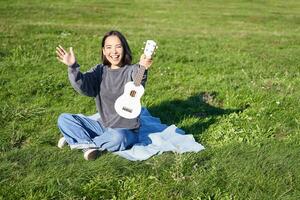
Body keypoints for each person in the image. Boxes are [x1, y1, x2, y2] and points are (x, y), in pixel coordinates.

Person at [56, 30, 153, 160]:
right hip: (103, 125)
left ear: (124, 49)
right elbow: (84, 86)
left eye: (118, 46)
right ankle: (86, 143)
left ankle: (79, 141)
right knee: (64, 118)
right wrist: (73, 67)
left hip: (125, 130)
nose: (113, 52)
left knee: (119, 138)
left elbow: (137, 82)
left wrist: (142, 67)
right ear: (103, 51)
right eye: (109, 47)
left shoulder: (132, 70)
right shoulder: (99, 71)